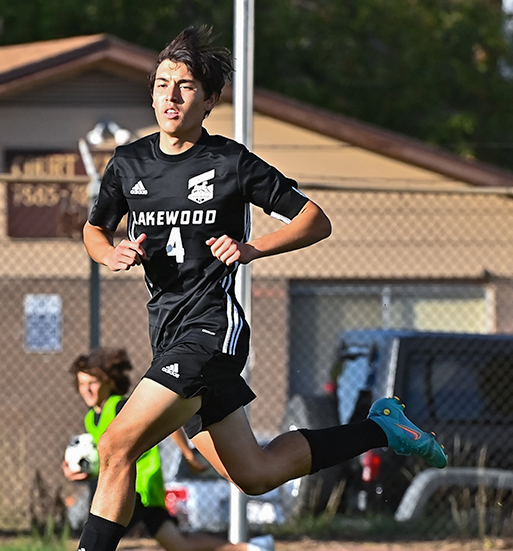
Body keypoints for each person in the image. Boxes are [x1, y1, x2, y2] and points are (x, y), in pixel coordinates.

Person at [78, 26, 447, 551]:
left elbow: (315, 220)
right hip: (170, 332)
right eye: (161, 84)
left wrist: (253, 248)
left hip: (210, 332)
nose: (170, 96)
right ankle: (380, 430)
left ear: (209, 100)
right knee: (255, 474)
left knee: (117, 446)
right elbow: (94, 229)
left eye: (184, 86)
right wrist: (109, 252)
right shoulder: (128, 163)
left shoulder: (229, 162)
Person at [64, 348, 274, 551]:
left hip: (139, 486)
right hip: (138, 490)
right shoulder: (91, 419)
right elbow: (105, 455)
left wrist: (188, 453)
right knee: (179, 546)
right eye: (82, 383)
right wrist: (79, 470)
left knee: (100, 533)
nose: (87, 389)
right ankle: (251, 548)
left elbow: (163, 419)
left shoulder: (119, 406)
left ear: (109, 382)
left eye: (93, 383)